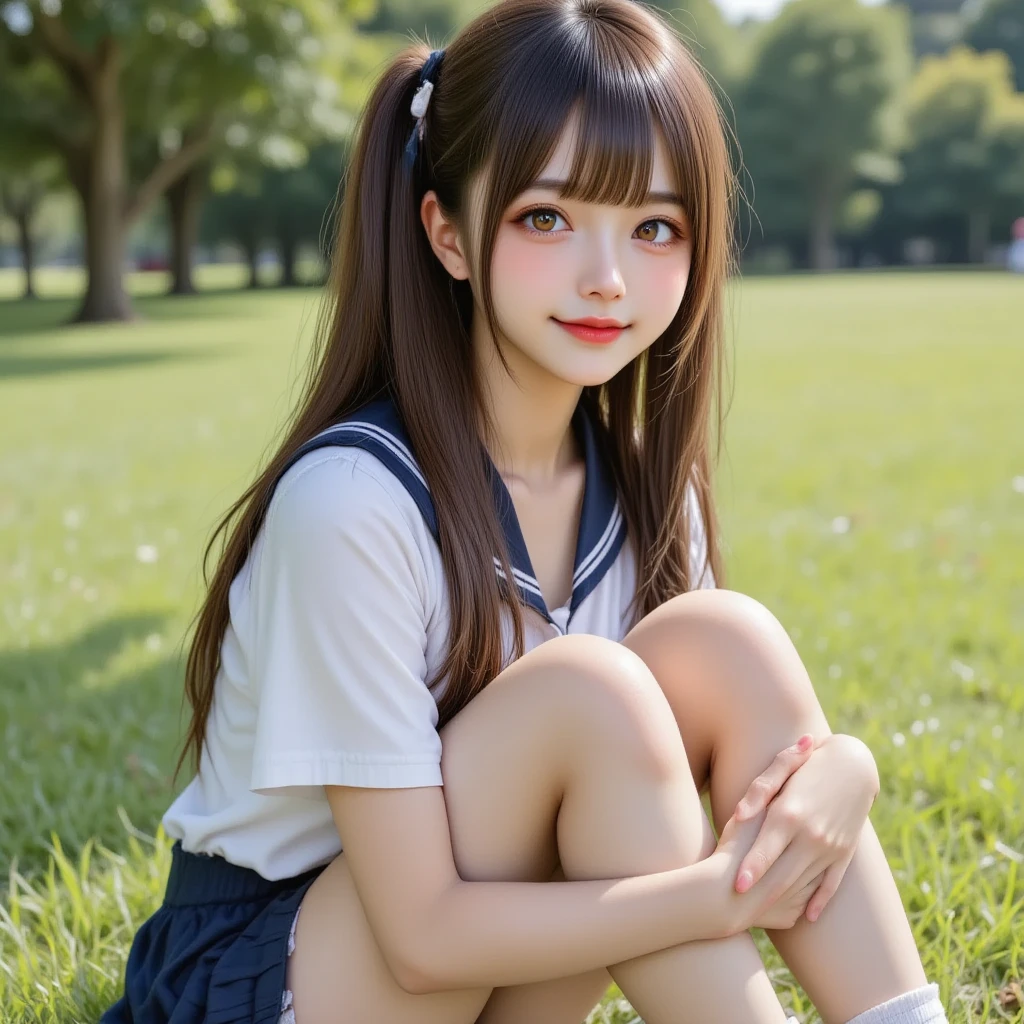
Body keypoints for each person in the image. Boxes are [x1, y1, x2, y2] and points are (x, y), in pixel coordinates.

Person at [101, 1, 949, 1022]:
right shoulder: (352, 504)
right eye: (547, 217)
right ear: (448, 233)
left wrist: (844, 766)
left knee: (723, 638)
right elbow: (421, 939)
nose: (607, 277)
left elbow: (705, 743)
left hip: (481, 967)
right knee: (588, 692)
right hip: (275, 974)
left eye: (654, 227)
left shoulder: (642, 487)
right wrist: (717, 888)